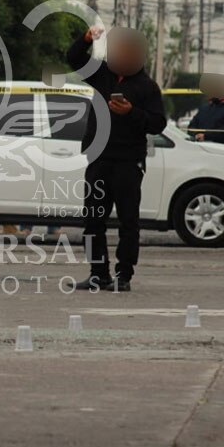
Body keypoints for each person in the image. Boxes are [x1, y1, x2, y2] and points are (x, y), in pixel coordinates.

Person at [66, 25, 166, 292]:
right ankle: (98, 273)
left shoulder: (147, 87)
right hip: (99, 158)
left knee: (128, 221)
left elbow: (158, 123)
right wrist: (86, 38)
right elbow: (74, 58)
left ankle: (124, 275)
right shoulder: (102, 74)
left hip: (128, 162)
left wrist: (131, 112)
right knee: (93, 219)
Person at [188, 73, 224, 147]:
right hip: (201, 148)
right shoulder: (205, 108)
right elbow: (192, 125)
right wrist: (196, 135)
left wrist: (206, 136)